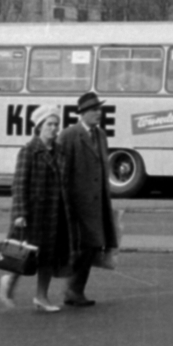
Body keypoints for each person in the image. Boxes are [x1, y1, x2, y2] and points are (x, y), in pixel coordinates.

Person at [1, 103, 71, 313]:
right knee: (24, 254)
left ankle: (41, 297)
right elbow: (19, 183)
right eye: (49, 124)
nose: (53, 128)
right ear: (39, 126)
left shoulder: (60, 151)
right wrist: (20, 213)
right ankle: (9, 280)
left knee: (48, 256)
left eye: (56, 124)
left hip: (54, 212)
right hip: (33, 212)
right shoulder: (29, 151)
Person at [59, 90, 119, 307]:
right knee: (84, 247)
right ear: (82, 113)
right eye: (94, 110)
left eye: (99, 109)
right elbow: (62, 172)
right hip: (79, 204)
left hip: (98, 202)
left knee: (94, 246)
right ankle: (72, 291)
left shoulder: (100, 135)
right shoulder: (69, 135)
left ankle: (74, 290)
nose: (99, 113)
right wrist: (65, 203)